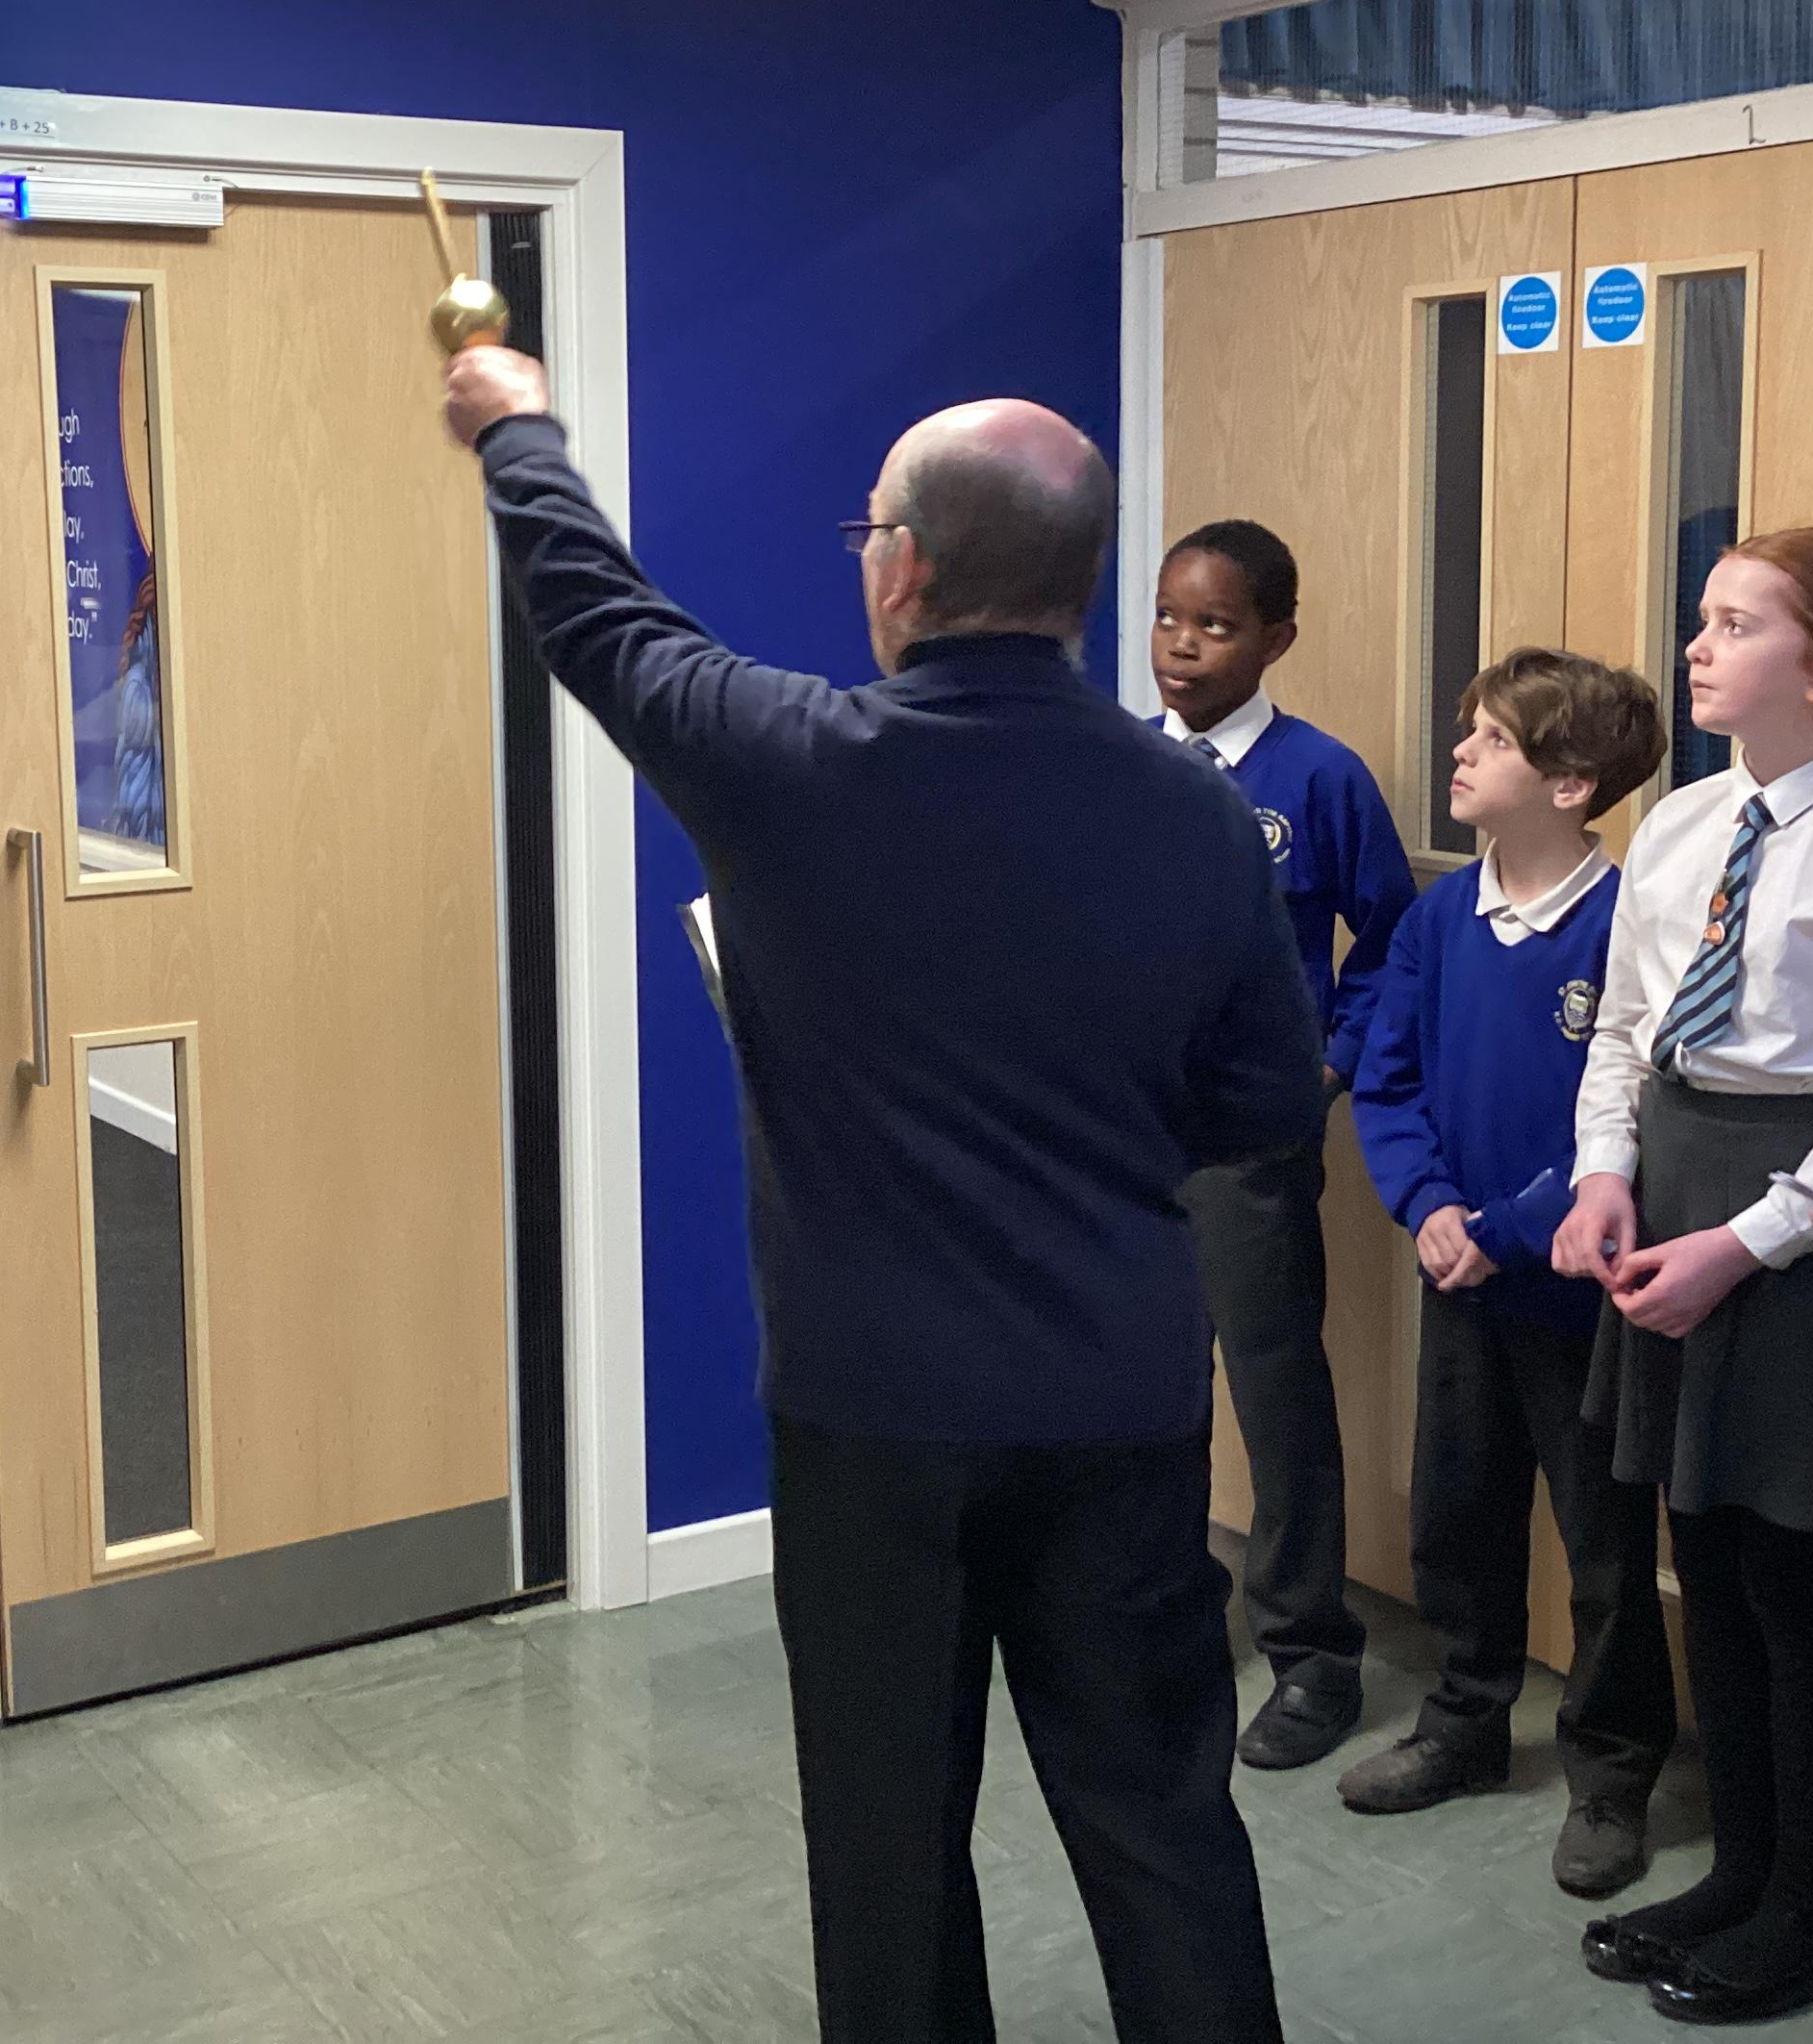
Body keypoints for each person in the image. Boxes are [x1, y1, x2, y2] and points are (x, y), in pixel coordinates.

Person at [442, 346, 1324, 2044]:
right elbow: (1268, 1105)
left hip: (875, 1419)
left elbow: (597, 616)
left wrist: (515, 430)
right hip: (1121, 1400)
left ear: (904, 569)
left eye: (869, 534)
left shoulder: (791, 760)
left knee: (886, 1834)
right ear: (1086, 585)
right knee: (1160, 1819)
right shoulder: (1204, 816)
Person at [1554, 528, 1813, 2024]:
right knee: (1703, 1555)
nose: (1697, 646)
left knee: (1794, 1572)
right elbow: (1626, 1028)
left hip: (1800, 1223)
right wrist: (1606, 1172)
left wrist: (1745, 1243)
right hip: (1673, 1180)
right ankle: (1738, 1872)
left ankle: (1810, 1910)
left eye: (1735, 624)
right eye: (1702, 619)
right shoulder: (1678, 824)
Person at [1342, 649, 1679, 1897]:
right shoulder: (1439, 922)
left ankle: (1611, 1771)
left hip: (1578, 1295)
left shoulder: (1630, 922)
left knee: (1604, 1549)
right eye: (1467, 732)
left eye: (1491, 739)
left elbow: (1635, 1111)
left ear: (1571, 785)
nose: (1461, 753)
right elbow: (1387, 1084)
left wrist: (1514, 1226)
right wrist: (1429, 1207)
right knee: (1458, 1518)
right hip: (1461, 1287)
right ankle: (1465, 1723)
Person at [1153, 521, 1417, 1768]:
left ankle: (1313, 1654)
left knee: (1274, 1392)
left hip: (1247, 1145)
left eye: (1214, 625)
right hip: (1126, 1135)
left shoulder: (1320, 779)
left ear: (1275, 639)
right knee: (1146, 1389)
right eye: (1168, 618)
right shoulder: (1124, 763)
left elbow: (1394, 942)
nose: (1181, 645)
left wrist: (1331, 1066)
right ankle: (1166, 1618)